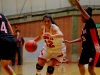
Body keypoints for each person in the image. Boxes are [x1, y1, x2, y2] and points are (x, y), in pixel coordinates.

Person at [64, 0, 100, 75]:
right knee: (80, 65)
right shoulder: (85, 28)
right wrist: (70, 41)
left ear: (85, 16)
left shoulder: (90, 22)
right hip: (86, 50)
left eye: (82, 16)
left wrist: (76, 1)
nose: (81, 17)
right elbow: (82, 39)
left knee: (90, 69)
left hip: (93, 49)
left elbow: (80, 9)